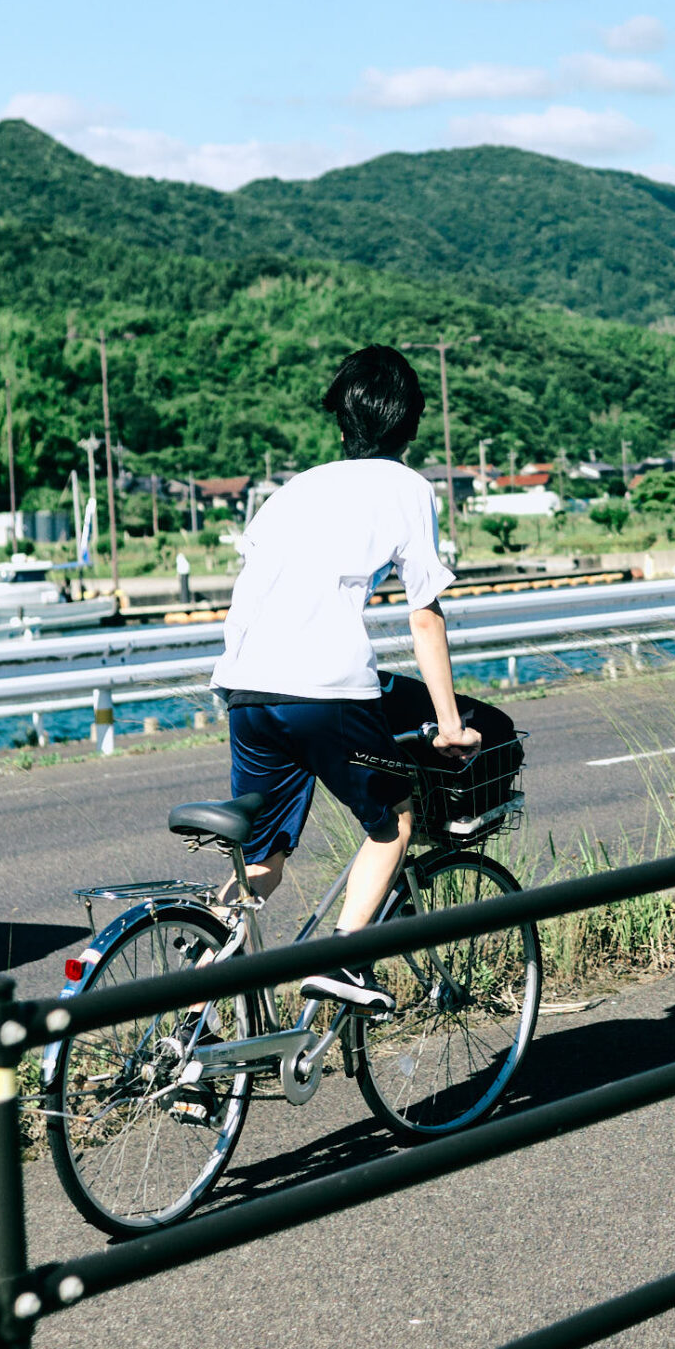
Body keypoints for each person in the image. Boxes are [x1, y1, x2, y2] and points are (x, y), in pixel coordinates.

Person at [210, 345, 512, 1015]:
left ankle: (195, 1006)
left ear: (341, 421)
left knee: (260, 864)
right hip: (325, 691)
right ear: (410, 426)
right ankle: (343, 960)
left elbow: (249, 591)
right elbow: (425, 619)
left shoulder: (294, 490)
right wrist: (453, 725)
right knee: (395, 819)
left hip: (246, 690)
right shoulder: (407, 489)